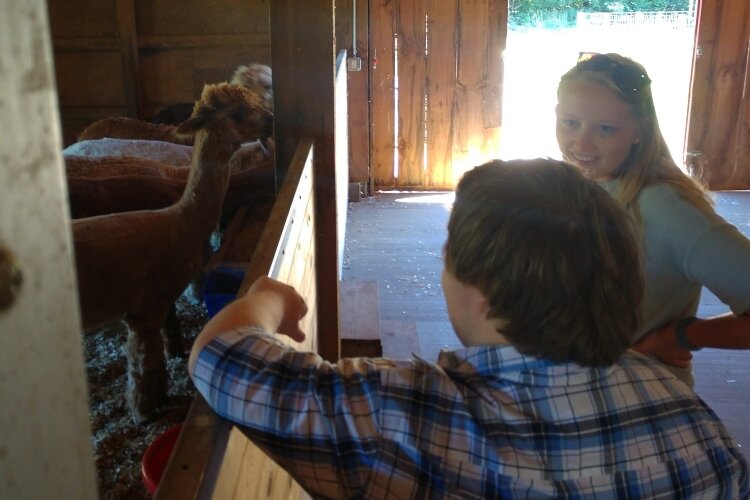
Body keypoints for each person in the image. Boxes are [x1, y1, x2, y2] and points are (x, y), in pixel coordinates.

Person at [190, 158, 748, 498]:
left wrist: (267, 296)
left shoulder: (401, 412)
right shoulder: (698, 429)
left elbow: (220, 356)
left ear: (476, 290)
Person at [555, 52, 750, 385]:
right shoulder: (572, 183)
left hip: (639, 402)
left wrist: (683, 335)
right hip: (570, 395)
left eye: (605, 128)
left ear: (638, 131)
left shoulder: (665, 208)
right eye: (570, 123)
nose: (581, 143)